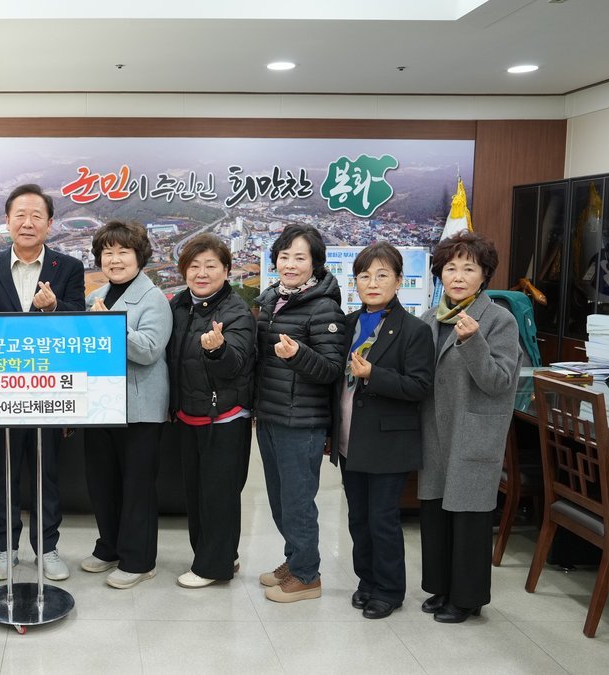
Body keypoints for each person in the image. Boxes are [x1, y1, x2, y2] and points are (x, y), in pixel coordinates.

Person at [0, 183, 85, 581]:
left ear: (50, 224)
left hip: (50, 389)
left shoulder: (68, 268)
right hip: (1, 391)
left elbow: (79, 324)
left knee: (46, 472)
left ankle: (47, 548)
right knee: (3, 473)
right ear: (7, 221)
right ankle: (5, 548)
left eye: (37, 216)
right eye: (20, 215)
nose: (28, 223)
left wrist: (55, 308)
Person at [418, 230, 520, 623]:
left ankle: (467, 598)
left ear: (484, 275)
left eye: (469, 268)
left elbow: (499, 382)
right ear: (440, 274)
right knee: (437, 513)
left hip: (472, 432)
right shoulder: (430, 317)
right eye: (450, 268)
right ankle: (442, 588)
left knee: (469, 517)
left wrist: (474, 342)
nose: (458, 276)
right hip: (434, 431)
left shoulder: (499, 320)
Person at [330, 242, 435, 619]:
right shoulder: (348, 325)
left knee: (382, 520)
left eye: (382, 275)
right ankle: (367, 581)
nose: (372, 283)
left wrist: (374, 374)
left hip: (389, 442)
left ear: (399, 281)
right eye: (364, 276)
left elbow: (419, 386)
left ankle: (389, 590)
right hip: (351, 439)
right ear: (355, 281)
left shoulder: (415, 330)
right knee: (358, 519)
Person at [254, 223, 344, 602]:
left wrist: (298, 355)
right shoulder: (271, 300)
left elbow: (331, 369)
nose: (290, 264)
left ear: (315, 263)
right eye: (284, 256)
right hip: (270, 414)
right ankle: (295, 561)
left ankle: (307, 575)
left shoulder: (324, 307)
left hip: (301, 421)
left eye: (299, 257)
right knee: (279, 500)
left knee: (298, 502)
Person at [81, 220, 171, 589]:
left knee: (136, 487)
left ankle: (139, 560)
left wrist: (111, 326)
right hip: (100, 405)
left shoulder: (154, 299)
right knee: (103, 483)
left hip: (140, 407)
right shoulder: (95, 296)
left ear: (139, 256)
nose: (115, 259)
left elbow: (149, 351)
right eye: (107, 252)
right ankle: (110, 547)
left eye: (123, 252)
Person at [167, 234, 257, 589]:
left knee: (219, 495)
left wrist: (218, 350)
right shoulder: (179, 304)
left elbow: (235, 364)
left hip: (224, 417)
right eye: (194, 266)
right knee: (197, 494)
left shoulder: (236, 312)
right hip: (189, 414)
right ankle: (220, 556)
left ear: (226, 270)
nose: (201, 273)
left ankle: (211, 567)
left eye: (210, 266)